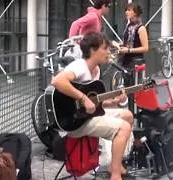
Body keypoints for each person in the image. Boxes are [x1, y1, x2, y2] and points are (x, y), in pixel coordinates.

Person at [51, 32, 133, 180]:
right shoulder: (80, 66)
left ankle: (116, 164)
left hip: (88, 117)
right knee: (123, 127)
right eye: (105, 48)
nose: (108, 52)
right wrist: (83, 98)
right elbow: (57, 81)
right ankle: (115, 175)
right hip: (75, 122)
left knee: (127, 116)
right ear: (92, 50)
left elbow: (95, 103)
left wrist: (114, 102)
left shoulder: (96, 70)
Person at [118, 3, 149, 113]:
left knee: (135, 91)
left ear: (135, 12)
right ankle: (130, 113)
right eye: (126, 10)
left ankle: (136, 114)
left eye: (129, 10)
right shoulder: (128, 26)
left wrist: (129, 50)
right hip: (126, 61)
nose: (126, 12)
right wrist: (120, 46)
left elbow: (145, 48)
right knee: (128, 90)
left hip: (135, 62)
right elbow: (127, 43)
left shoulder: (141, 28)